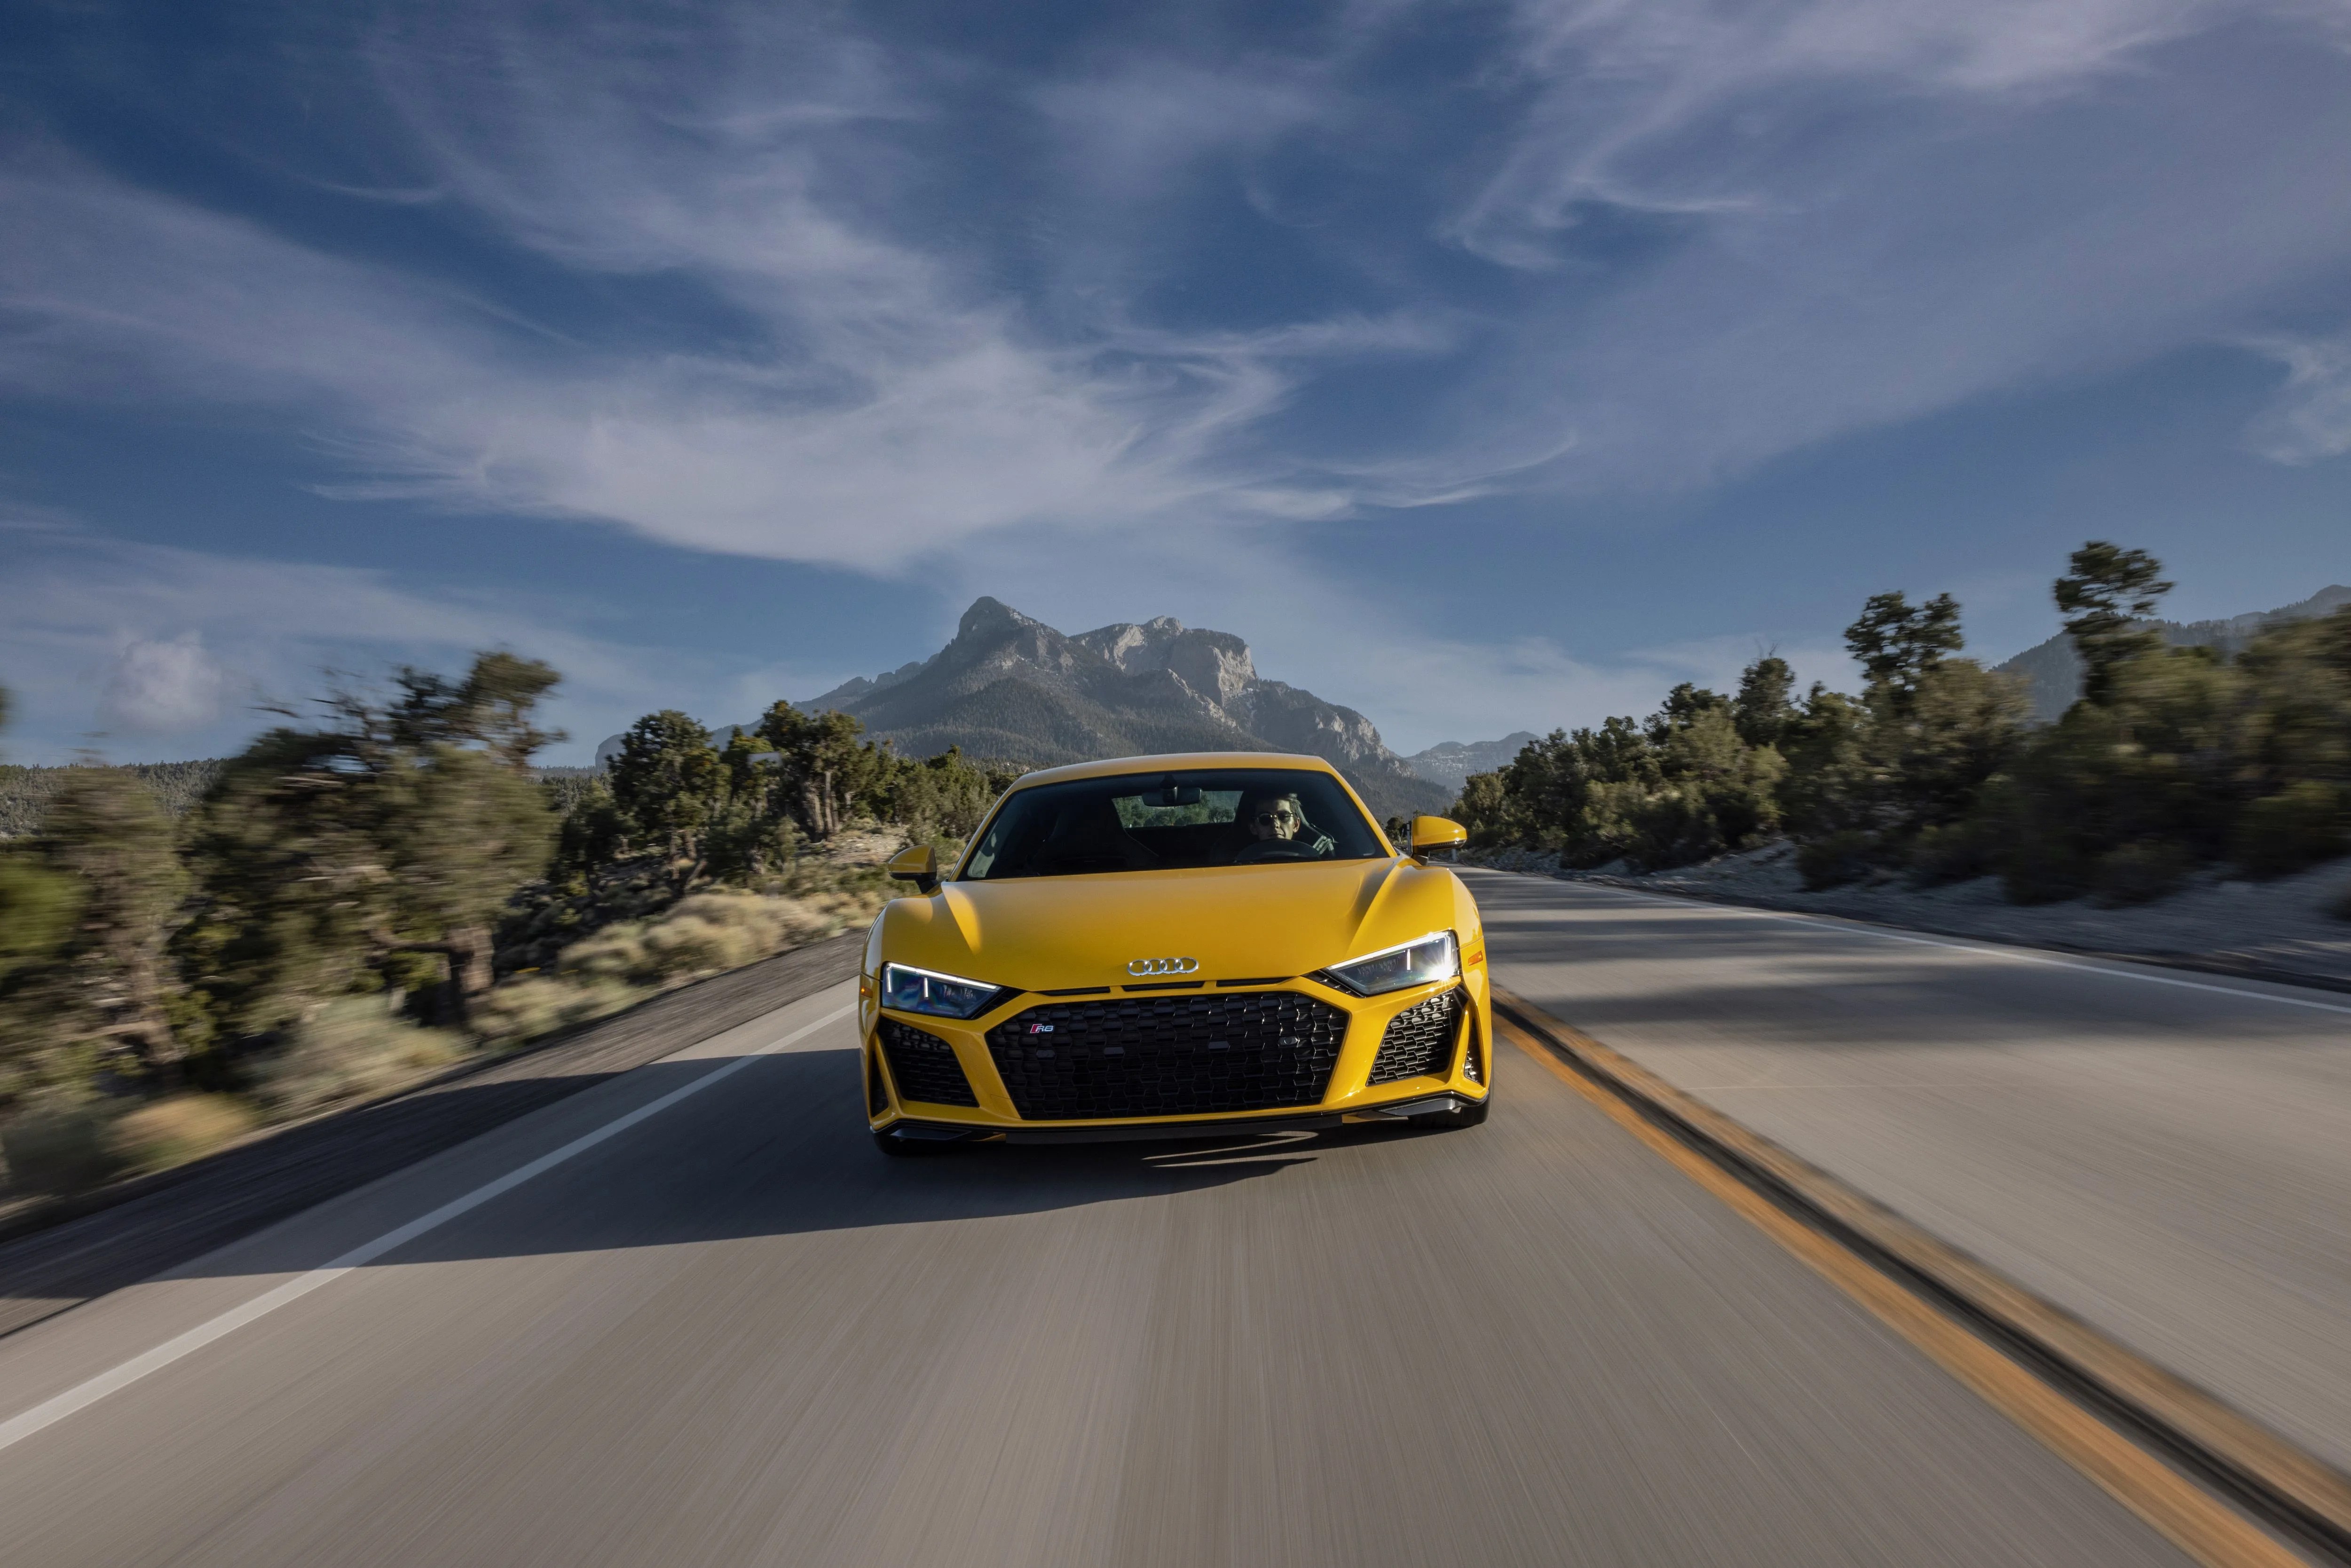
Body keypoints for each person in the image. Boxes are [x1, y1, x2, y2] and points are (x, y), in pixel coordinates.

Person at [1235, 791, 1334, 861]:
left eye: (1283, 817)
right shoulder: (1234, 866)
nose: (1275, 825)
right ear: (1253, 828)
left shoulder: (1323, 861)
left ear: (1296, 825)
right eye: (1265, 818)